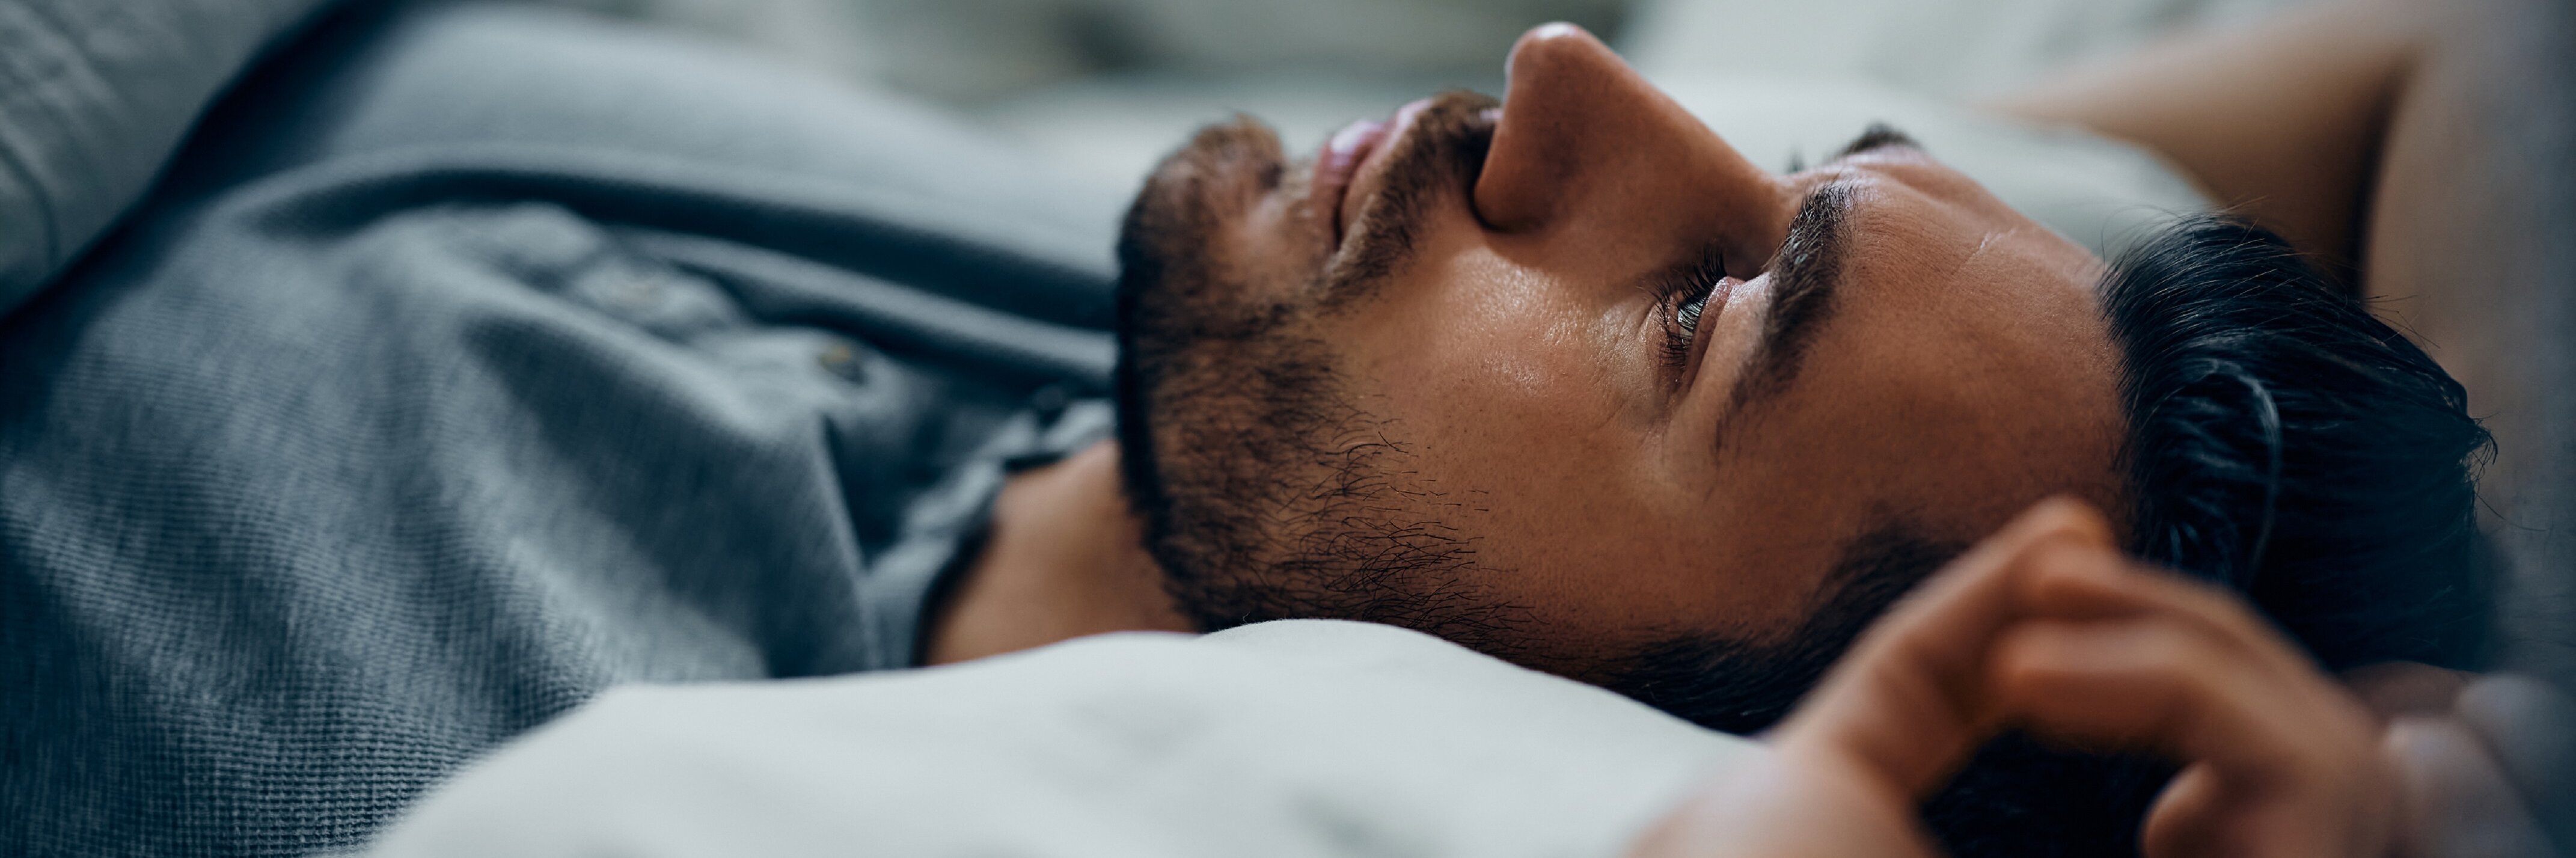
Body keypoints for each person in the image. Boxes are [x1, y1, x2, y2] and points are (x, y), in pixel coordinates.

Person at [0, 1, 2563, 856]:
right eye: (1788, 183)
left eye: (1692, 320)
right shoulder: (1211, 339)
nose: (1560, 90)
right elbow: (2463, 60)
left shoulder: (651, 765)